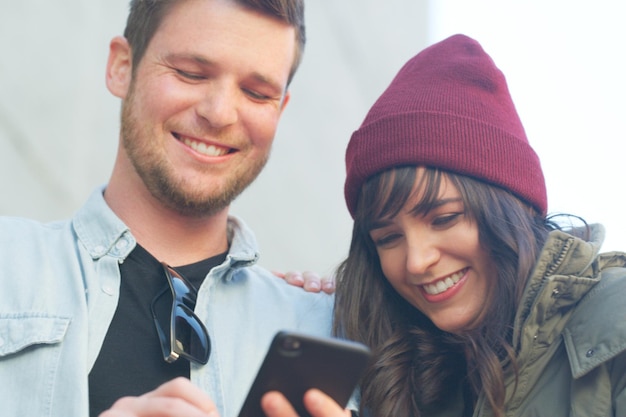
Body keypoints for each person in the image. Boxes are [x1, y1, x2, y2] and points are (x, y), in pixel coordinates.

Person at [0, 1, 343, 416]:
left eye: (256, 93)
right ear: (121, 67)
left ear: (280, 110)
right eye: (190, 73)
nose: (219, 113)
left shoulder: (328, 326)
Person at [294, 34, 625, 417]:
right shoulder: (398, 369)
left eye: (445, 218)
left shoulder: (616, 317)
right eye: (388, 238)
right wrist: (292, 305)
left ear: (510, 207)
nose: (416, 262)